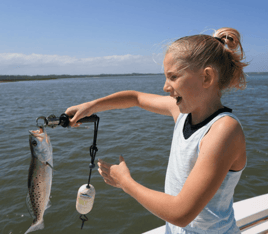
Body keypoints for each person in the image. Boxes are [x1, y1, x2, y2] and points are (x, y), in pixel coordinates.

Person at [65, 27, 248, 233]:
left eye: (173, 77)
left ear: (206, 78)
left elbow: (181, 213)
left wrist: (125, 182)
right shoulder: (182, 113)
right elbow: (136, 98)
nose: (165, 86)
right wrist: (91, 106)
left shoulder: (223, 130)